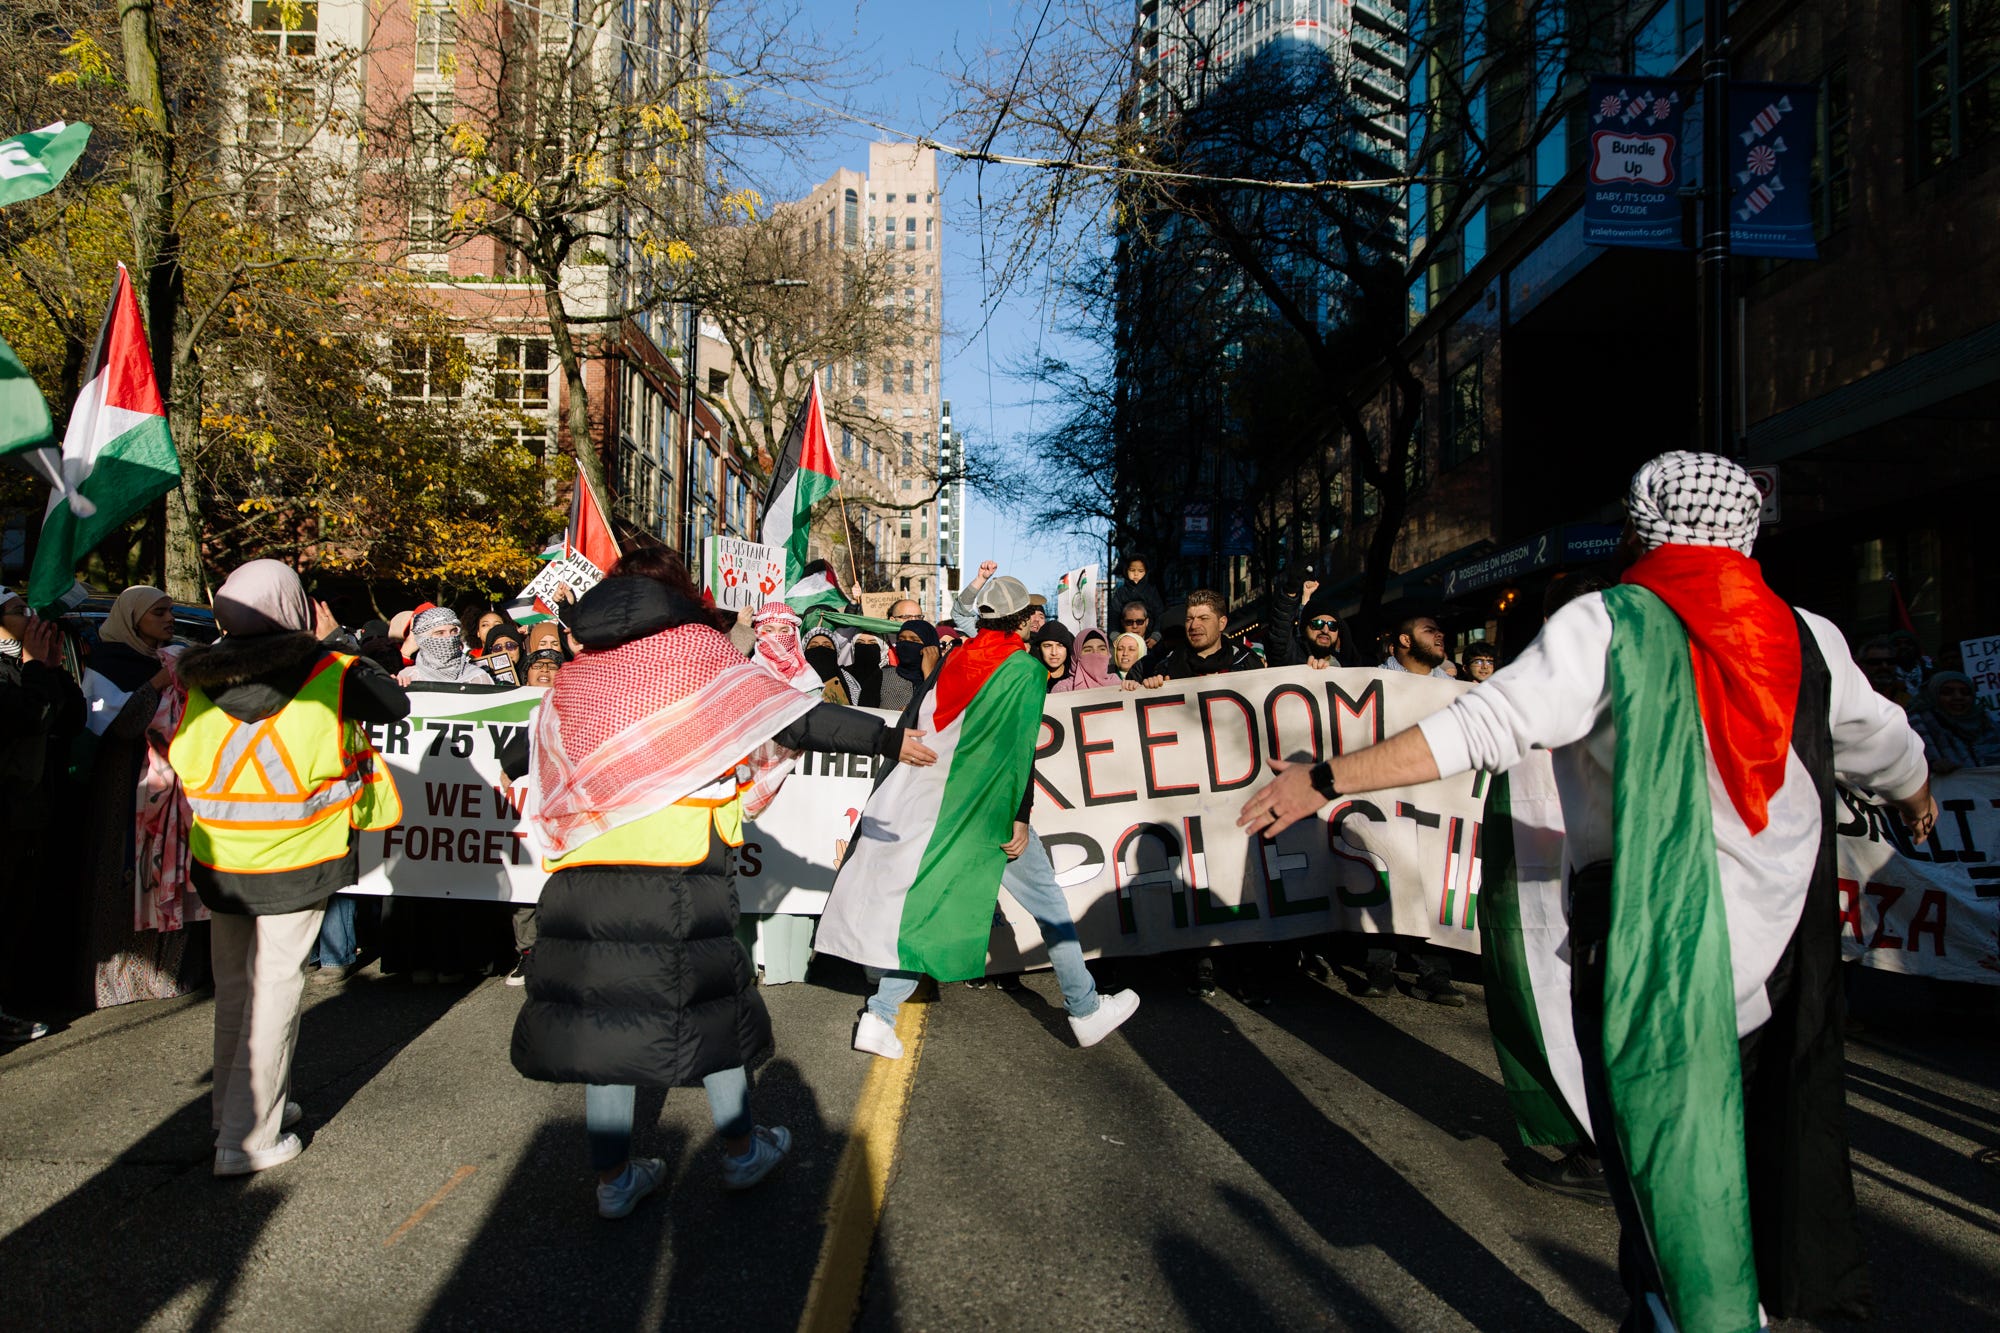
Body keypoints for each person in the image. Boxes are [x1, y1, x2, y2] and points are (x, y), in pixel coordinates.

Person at [1238, 450, 1932, 1333]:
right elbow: (1887, 746)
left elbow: (1484, 725)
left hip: (1650, 941)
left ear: (1642, 528)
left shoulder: (1609, 625)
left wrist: (1325, 778)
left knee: (1656, 1161)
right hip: (1783, 952)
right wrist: (1917, 796)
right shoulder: (1810, 637)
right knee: (1753, 1149)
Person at [510, 551, 937, 1219]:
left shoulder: (580, 671)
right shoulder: (694, 649)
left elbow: (524, 752)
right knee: (711, 1007)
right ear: (677, 591)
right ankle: (741, 1151)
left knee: (606, 1022)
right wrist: (884, 738)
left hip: (586, 864)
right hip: (679, 867)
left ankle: (614, 1178)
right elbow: (788, 718)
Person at [820, 575, 1139, 1057]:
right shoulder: (1025, 670)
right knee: (1050, 907)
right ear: (1024, 620)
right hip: (992, 810)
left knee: (929, 904)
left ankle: (879, 1016)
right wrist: (1020, 816)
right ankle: (1086, 1009)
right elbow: (1019, 750)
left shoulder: (956, 657)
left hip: (941, 809)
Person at [170, 560, 409, 1175]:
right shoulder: (330, 671)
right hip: (298, 858)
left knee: (235, 990)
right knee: (275, 991)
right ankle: (250, 1138)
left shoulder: (199, 677)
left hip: (221, 858)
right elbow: (394, 704)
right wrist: (337, 642)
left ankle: (232, 1116)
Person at [78, 586, 208, 1008]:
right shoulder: (107, 665)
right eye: (159, 612)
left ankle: (164, 975)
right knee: (123, 876)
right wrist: (157, 681)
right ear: (132, 618)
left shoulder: (170, 658)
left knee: (166, 874)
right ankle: (116, 982)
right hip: (126, 791)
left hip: (173, 793)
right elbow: (121, 726)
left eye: (170, 611)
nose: (169, 619)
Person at [0, 590, 83, 1040]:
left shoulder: (24, 665)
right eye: (18, 611)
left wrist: (51, 669)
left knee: (18, 912)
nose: (31, 616)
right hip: (8, 810)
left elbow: (69, 720)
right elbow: (28, 716)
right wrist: (34, 668)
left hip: (31, 811)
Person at [1137, 590, 1259, 689]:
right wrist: (1151, 688)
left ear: (1221, 623)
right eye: (1189, 619)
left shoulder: (1246, 661)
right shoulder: (1165, 668)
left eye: (1204, 618)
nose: (1194, 626)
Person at [1906, 670, 2000, 772]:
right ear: (1933, 695)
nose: (1958, 697)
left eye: (1965, 692)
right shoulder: (1918, 726)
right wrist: (1930, 765)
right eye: (1947, 692)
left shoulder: (1987, 722)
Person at [1265, 578, 1353, 671]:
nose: (1325, 630)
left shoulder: (1345, 665)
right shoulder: (1292, 658)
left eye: (1332, 626)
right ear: (1304, 629)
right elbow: (1281, 631)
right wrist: (1291, 590)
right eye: (1318, 624)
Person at [401, 607, 497, 685]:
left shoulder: (478, 677)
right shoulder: (407, 678)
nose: (449, 638)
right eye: (440, 633)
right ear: (422, 639)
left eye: (453, 631)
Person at [879, 619, 941, 716]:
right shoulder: (883, 676)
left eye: (915, 640)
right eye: (901, 640)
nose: (906, 645)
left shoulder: (946, 678)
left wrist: (929, 673)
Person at [1108, 554, 1166, 638]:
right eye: (1132, 570)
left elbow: (1159, 614)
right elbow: (1114, 614)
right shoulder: (1121, 592)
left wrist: (1156, 634)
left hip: (1148, 638)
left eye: (1140, 571)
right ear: (1126, 571)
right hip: (1125, 638)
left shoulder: (1151, 591)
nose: (1136, 574)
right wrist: (1115, 635)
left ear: (1146, 572)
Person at [1381, 614, 1452, 678]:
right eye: (1429, 631)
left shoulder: (1452, 685)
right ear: (1406, 640)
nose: (1441, 634)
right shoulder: (1377, 680)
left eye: (1439, 631)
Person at [1053, 628, 1118, 694]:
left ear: (1108, 653)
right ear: (1076, 655)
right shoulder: (1064, 688)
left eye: (1102, 649)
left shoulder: (1116, 682)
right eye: (1088, 650)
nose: (1096, 653)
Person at [1032, 621, 1074, 687]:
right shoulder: (1031, 677)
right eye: (1047, 646)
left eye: (1060, 646)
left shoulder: (1076, 675)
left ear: (1067, 648)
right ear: (1039, 648)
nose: (1054, 653)